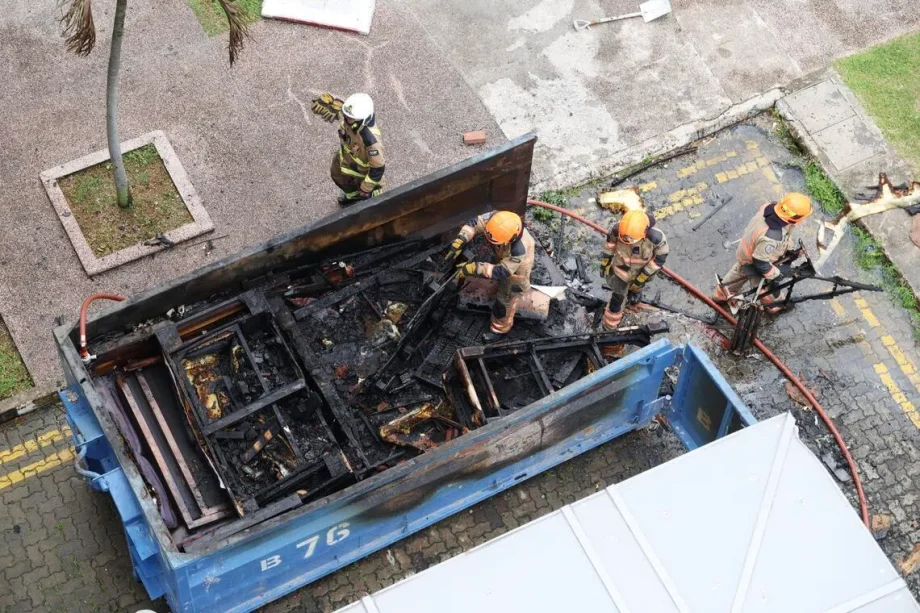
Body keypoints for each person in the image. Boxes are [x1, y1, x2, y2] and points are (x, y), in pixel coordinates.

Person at [712, 193, 812, 308]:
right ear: (795, 218)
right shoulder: (771, 237)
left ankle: (720, 295)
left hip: (746, 252)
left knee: (738, 273)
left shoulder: (769, 208)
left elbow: (785, 233)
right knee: (767, 290)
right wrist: (776, 274)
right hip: (754, 262)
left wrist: (789, 248)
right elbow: (760, 263)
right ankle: (774, 306)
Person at [447, 211, 535, 341]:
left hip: (515, 273)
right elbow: (476, 222)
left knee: (504, 301)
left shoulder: (518, 250)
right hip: (503, 254)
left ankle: (499, 329)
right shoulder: (497, 221)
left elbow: (502, 271)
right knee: (496, 262)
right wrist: (462, 238)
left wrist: (475, 268)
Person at [600, 209, 669, 333]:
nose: (626, 240)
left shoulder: (656, 238)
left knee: (636, 288)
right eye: (624, 237)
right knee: (617, 300)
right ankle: (609, 327)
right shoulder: (617, 230)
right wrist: (606, 261)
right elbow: (610, 245)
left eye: (630, 239)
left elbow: (659, 260)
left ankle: (634, 300)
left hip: (641, 273)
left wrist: (642, 277)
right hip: (620, 273)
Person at [312, 92, 385, 206]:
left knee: (369, 202)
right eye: (345, 115)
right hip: (345, 161)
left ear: (363, 119)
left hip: (361, 173)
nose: (346, 119)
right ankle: (352, 196)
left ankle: (370, 201)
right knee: (338, 177)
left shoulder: (371, 141)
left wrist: (366, 188)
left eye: (350, 117)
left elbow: (378, 168)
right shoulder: (354, 120)